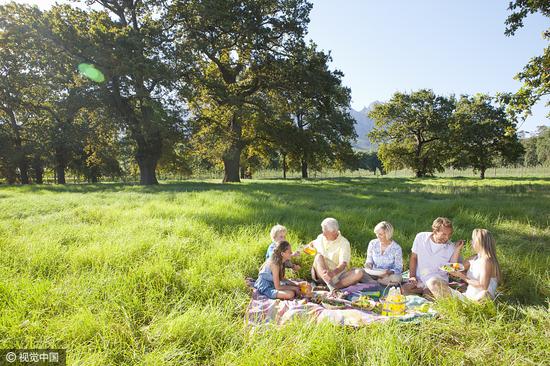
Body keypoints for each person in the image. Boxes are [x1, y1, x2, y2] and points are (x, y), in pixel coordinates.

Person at [430, 229, 500, 301]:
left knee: (484, 294)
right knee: (433, 282)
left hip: (481, 299)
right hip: (467, 297)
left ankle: (465, 308)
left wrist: (462, 276)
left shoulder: (487, 261)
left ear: (479, 242)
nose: (471, 242)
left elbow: (483, 287)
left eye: (473, 240)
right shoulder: (474, 258)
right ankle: (462, 306)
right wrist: (457, 249)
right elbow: (455, 267)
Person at [402, 217, 464, 296]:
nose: (447, 238)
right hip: (419, 278)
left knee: (428, 295)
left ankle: (426, 291)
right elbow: (414, 258)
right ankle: (422, 290)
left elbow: (453, 268)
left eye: (449, 234)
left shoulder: (451, 247)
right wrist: (412, 276)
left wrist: (457, 249)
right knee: (403, 289)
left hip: (436, 281)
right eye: (444, 234)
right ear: (435, 231)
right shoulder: (420, 237)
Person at [310, 218, 364, 291]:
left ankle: (332, 287)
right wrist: (308, 247)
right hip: (322, 274)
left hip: (337, 275)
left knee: (359, 273)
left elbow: (343, 264)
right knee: (318, 257)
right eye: (323, 231)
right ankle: (330, 285)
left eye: (325, 232)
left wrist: (332, 273)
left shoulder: (344, 243)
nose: (323, 234)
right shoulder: (321, 237)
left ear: (334, 232)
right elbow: (311, 244)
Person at [363, 221, 403, 286]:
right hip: (374, 272)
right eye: (376, 234)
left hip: (388, 274)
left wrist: (388, 272)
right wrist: (368, 266)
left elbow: (398, 268)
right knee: (359, 272)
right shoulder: (373, 243)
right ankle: (379, 281)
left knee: (396, 278)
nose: (377, 236)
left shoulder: (396, 248)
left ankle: (375, 282)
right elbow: (369, 260)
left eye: (380, 234)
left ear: (388, 235)